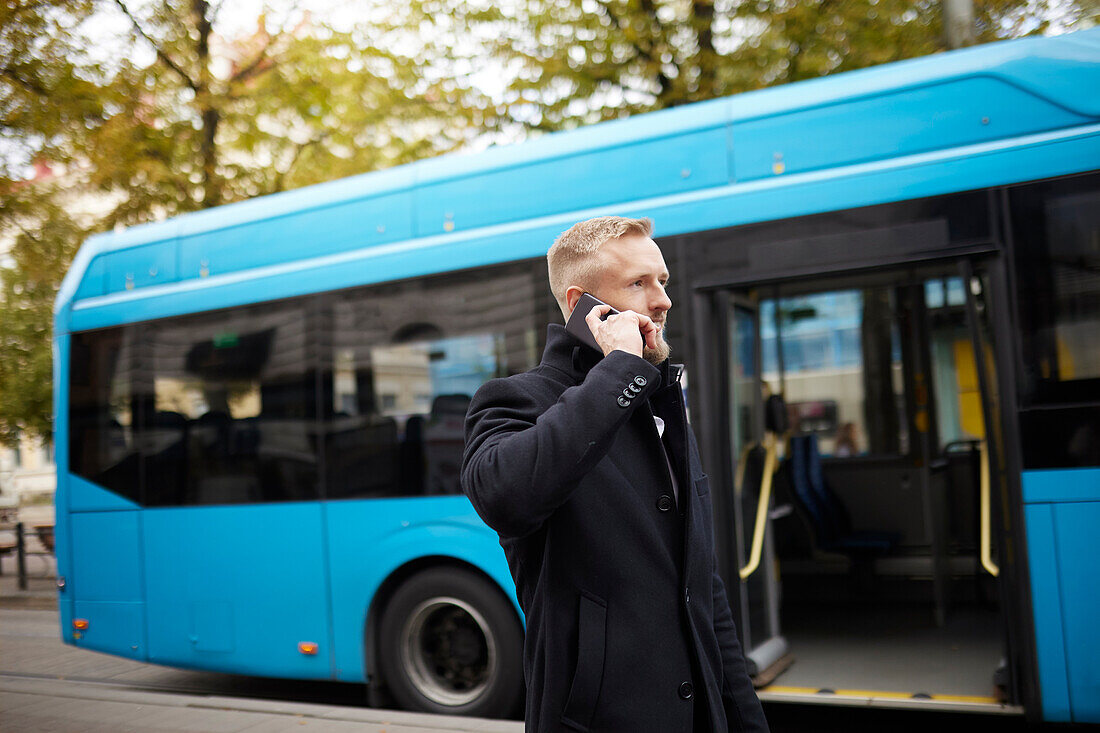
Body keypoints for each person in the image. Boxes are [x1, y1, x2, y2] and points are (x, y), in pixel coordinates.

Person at [461, 216, 769, 732]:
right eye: (638, 283)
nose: (663, 300)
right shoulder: (517, 400)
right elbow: (503, 496)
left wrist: (745, 718)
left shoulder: (662, 406)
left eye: (662, 281)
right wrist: (620, 369)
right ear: (583, 303)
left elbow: (704, 589)